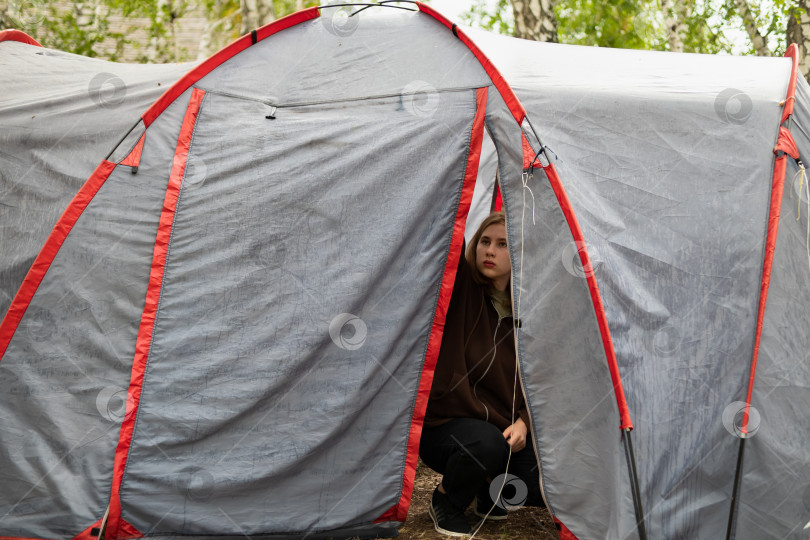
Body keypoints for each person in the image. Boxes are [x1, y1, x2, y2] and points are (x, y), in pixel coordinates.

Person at [419, 211, 545, 537]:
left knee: (537, 481)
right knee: (487, 445)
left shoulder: (530, 313)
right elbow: (446, 227)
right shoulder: (461, 289)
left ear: (519, 252)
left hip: (502, 431)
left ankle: (486, 489)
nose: (489, 250)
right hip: (444, 429)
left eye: (503, 244)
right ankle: (446, 501)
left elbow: (545, 377)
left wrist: (524, 422)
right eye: (485, 242)